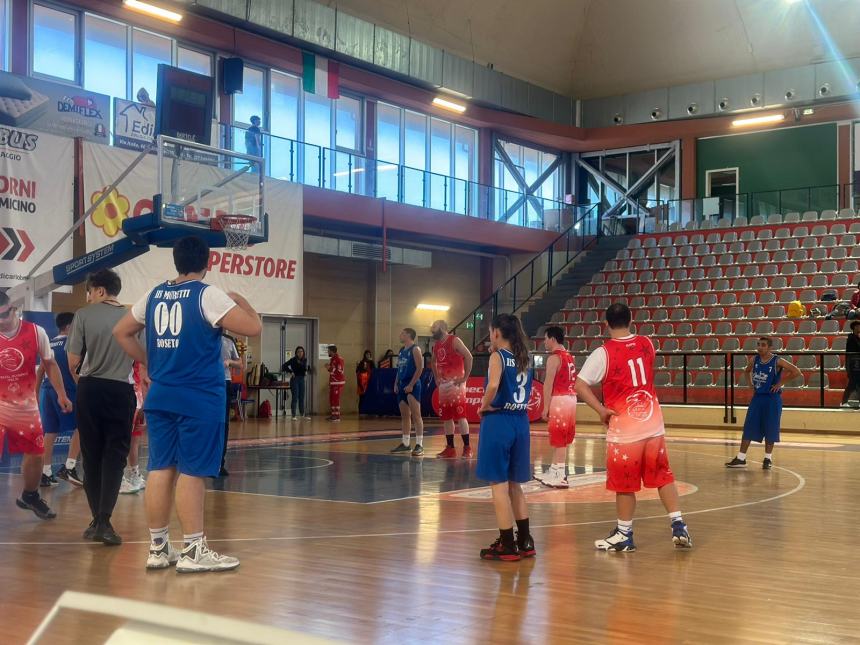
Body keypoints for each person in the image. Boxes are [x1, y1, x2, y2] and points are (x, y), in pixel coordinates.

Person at [114, 235, 262, 573]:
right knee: (193, 471)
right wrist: (243, 302)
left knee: (160, 468)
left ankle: (158, 547)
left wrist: (150, 362)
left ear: (176, 262)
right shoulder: (207, 295)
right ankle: (194, 549)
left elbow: (121, 332)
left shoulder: (154, 295)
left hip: (161, 395)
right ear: (206, 262)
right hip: (198, 397)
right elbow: (253, 327)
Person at [574, 303, 692, 552]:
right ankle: (678, 523)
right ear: (631, 320)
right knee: (663, 475)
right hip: (652, 422)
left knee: (624, 484)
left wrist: (601, 410)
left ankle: (624, 533)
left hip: (625, 429)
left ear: (606, 324)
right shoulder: (647, 344)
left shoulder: (603, 353)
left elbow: (581, 385)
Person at [67, 269, 137, 545]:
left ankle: (97, 519)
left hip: (89, 388)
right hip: (120, 390)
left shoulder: (83, 315)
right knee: (115, 456)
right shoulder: (133, 317)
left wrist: (83, 381)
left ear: (98, 290)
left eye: (89, 291)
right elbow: (139, 357)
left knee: (91, 454)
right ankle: (105, 520)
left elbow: (73, 361)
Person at [0, 292, 71, 520]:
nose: (2, 320)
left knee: (36, 454)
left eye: (5, 314)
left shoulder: (35, 331)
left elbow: (49, 364)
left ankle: (30, 495)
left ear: (13, 309)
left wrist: (61, 393)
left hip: (24, 405)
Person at [476, 313, 535, 561]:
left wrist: (482, 406)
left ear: (497, 333)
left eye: (491, 332)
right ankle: (525, 540)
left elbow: (492, 386)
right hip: (521, 422)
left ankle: (507, 544)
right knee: (515, 485)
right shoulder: (525, 357)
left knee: (498, 486)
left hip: (499, 420)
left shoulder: (497, 356)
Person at [726, 337, 802, 469]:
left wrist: (780, 383)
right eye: (758, 345)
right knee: (749, 426)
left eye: (763, 345)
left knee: (770, 427)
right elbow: (746, 371)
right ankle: (741, 458)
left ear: (770, 348)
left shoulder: (777, 360)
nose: (760, 347)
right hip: (757, 398)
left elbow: (796, 372)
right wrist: (750, 384)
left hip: (772, 399)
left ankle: (768, 458)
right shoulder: (754, 359)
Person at [36, 311, 83, 488]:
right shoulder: (73, 343)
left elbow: (41, 371)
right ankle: (69, 467)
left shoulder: (50, 343)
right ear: (70, 327)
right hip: (67, 391)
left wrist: (35, 395)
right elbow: (74, 368)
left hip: (47, 392)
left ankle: (45, 472)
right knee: (82, 426)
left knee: (50, 432)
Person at [535, 325, 577, 488]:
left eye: (545, 338)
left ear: (552, 339)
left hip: (560, 399)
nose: (544, 342)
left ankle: (560, 475)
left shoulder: (554, 358)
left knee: (559, 439)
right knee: (562, 437)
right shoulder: (569, 356)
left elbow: (548, 384)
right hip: (570, 398)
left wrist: (545, 407)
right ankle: (554, 469)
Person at [430, 320, 473, 459]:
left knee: (461, 415)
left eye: (434, 326)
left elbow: (469, 356)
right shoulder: (436, 345)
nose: (432, 328)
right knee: (446, 417)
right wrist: (436, 377)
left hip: (456, 383)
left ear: (442, 327)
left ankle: (467, 448)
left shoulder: (454, 340)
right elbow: (433, 362)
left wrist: (465, 377)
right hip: (443, 384)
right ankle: (450, 448)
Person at [390, 328, 425, 456]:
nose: (400, 335)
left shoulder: (415, 349)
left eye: (402, 333)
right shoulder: (401, 351)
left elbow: (420, 368)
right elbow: (399, 368)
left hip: (412, 384)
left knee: (416, 415)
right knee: (405, 416)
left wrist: (411, 384)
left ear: (409, 335)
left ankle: (419, 444)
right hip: (402, 384)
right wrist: (395, 383)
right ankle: (405, 444)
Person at [120, 361, 148, 494]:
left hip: (138, 394)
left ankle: (135, 474)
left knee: (134, 440)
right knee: (122, 439)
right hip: (130, 391)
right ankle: (118, 477)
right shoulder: (131, 347)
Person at [219, 334, 242, 475]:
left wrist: (229, 362)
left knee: (223, 423)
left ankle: (220, 463)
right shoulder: (202, 335)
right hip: (205, 382)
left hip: (224, 381)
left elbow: (240, 364)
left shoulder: (229, 340)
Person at [283, 346, 310, 420]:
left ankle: (302, 414)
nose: (300, 353)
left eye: (301, 351)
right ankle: (293, 415)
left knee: (302, 397)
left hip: (302, 379)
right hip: (295, 379)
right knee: (295, 397)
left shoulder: (305, 360)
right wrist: (291, 372)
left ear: (303, 352)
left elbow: (305, 368)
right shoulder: (293, 360)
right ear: (296, 353)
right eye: (298, 352)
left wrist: (307, 370)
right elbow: (284, 366)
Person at [841, 320, 860, 409]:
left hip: (858, 364)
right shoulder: (851, 339)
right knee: (852, 384)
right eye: (858, 326)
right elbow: (851, 354)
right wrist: (849, 368)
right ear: (855, 327)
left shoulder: (857, 338)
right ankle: (844, 402)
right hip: (854, 365)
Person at [326, 345, 345, 422]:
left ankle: (337, 416)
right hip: (333, 382)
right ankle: (333, 414)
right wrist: (329, 368)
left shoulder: (339, 359)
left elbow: (339, 371)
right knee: (332, 399)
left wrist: (329, 368)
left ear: (332, 351)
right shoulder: (333, 359)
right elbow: (332, 370)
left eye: (328, 351)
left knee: (335, 399)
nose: (328, 352)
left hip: (338, 382)